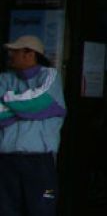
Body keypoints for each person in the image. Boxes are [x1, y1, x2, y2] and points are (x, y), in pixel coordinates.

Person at [0, 34, 66, 216]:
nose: (10, 55)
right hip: (7, 160)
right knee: (6, 210)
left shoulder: (51, 75)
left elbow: (37, 102)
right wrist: (23, 110)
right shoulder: (5, 78)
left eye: (15, 51)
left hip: (40, 162)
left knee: (43, 208)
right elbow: (28, 108)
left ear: (30, 54)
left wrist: (7, 99)